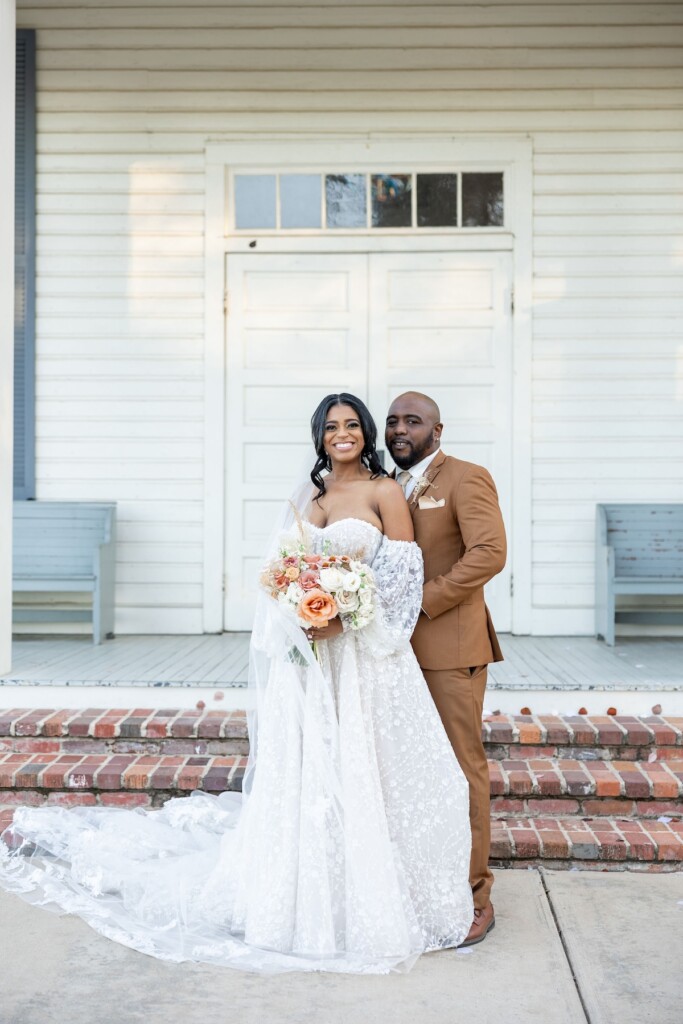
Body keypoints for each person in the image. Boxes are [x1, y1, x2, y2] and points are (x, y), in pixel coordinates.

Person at [0, 393, 473, 975]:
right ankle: (310, 902)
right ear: (320, 438)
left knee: (369, 770)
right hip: (319, 662)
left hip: (367, 660)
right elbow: (286, 580)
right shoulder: (315, 501)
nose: (342, 434)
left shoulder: (384, 492)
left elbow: (401, 579)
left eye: (352, 425)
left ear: (366, 433)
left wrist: (346, 615)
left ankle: (377, 893)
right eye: (332, 427)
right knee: (316, 775)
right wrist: (305, 614)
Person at [385, 391, 507, 947]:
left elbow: (488, 552)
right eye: (392, 421)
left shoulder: (465, 477)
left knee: (461, 774)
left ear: (438, 429)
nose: (400, 429)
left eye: (413, 420)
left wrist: (422, 602)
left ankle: (475, 898)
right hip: (389, 653)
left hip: (450, 651)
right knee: (411, 774)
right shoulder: (385, 486)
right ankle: (422, 886)